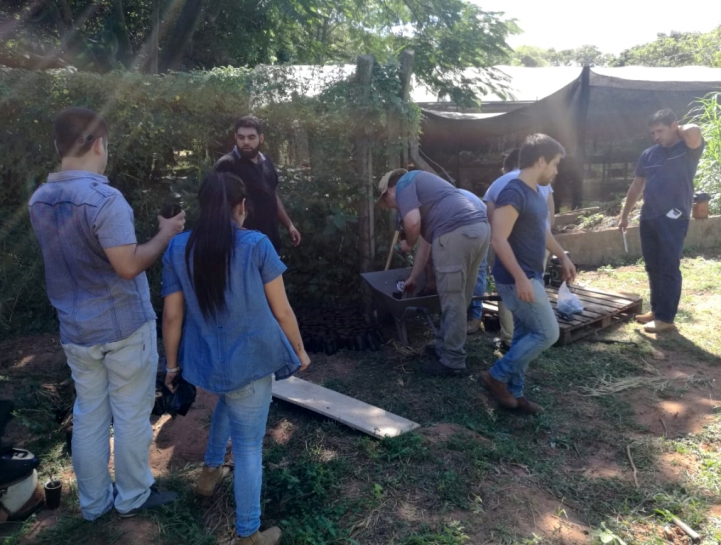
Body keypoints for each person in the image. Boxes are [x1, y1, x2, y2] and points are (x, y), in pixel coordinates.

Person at [28, 107, 184, 519]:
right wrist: (166, 234)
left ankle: (94, 504)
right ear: (99, 144)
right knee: (131, 414)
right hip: (122, 327)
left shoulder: (39, 200)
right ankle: (133, 496)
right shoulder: (104, 199)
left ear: (58, 146)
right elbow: (128, 264)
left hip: (76, 330)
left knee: (90, 413)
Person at [161, 171, 310, 545]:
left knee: (229, 401)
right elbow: (282, 312)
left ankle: (209, 473)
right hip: (251, 359)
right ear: (241, 206)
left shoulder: (178, 248)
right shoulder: (256, 245)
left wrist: (173, 366)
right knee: (247, 448)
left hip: (208, 362)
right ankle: (248, 533)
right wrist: (300, 350)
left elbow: (173, 316)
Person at [481, 134, 576, 415]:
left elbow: (542, 232)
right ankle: (496, 376)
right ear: (541, 160)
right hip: (517, 279)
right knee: (548, 333)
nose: (556, 171)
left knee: (525, 336)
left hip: (530, 274)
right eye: (555, 164)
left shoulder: (535, 192)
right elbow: (498, 239)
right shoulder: (514, 192)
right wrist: (521, 277)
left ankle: (515, 394)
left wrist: (562, 255)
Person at [377, 169, 490, 375]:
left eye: (389, 202)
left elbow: (412, 224)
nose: (394, 207)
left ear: (389, 190)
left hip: (456, 233)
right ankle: (444, 345)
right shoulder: (431, 197)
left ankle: (452, 361)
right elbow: (425, 246)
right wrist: (413, 277)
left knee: (452, 298)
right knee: (461, 296)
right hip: (479, 229)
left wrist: (407, 243)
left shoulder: (404, 184)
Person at [619, 109, 704, 333]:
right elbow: (637, 186)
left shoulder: (687, 150)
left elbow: (695, 131)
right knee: (653, 267)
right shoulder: (648, 154)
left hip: (674, 218)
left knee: (668, 266)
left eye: (660, 130)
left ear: (674, 126)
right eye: (653, 132)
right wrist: (625, 215)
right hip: (649, 217)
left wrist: (679, 130)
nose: (656, 136)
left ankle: (666, 318)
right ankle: (656, 311)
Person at [483, 148, 556, 350]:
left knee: (512, 301)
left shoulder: (495, 186)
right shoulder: (537, 185)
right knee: (544, 325)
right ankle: (502, 371)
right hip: (536, 251)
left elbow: (493, 225)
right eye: (555, 164)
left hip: (510, 256)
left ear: (506, 167)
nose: (556, 170)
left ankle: (508, 338)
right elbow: (550, 219)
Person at [214, 115, 301, 251]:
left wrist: (289, 225)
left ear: (261, 138)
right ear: (235, 137)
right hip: (243, 245)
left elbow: (271, 193)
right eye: (241, 137)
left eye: (251, 137)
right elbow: (216, 207)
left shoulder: (266, 161)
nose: (246, 142)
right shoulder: (227, 165)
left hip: (269, 239)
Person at [459, 189, 490, 334]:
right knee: (478, 270)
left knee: (476, 270)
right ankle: (468, 315)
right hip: (483, 224)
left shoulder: (444, 200)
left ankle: (473, 316)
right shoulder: (459, 193)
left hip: (472, 225)